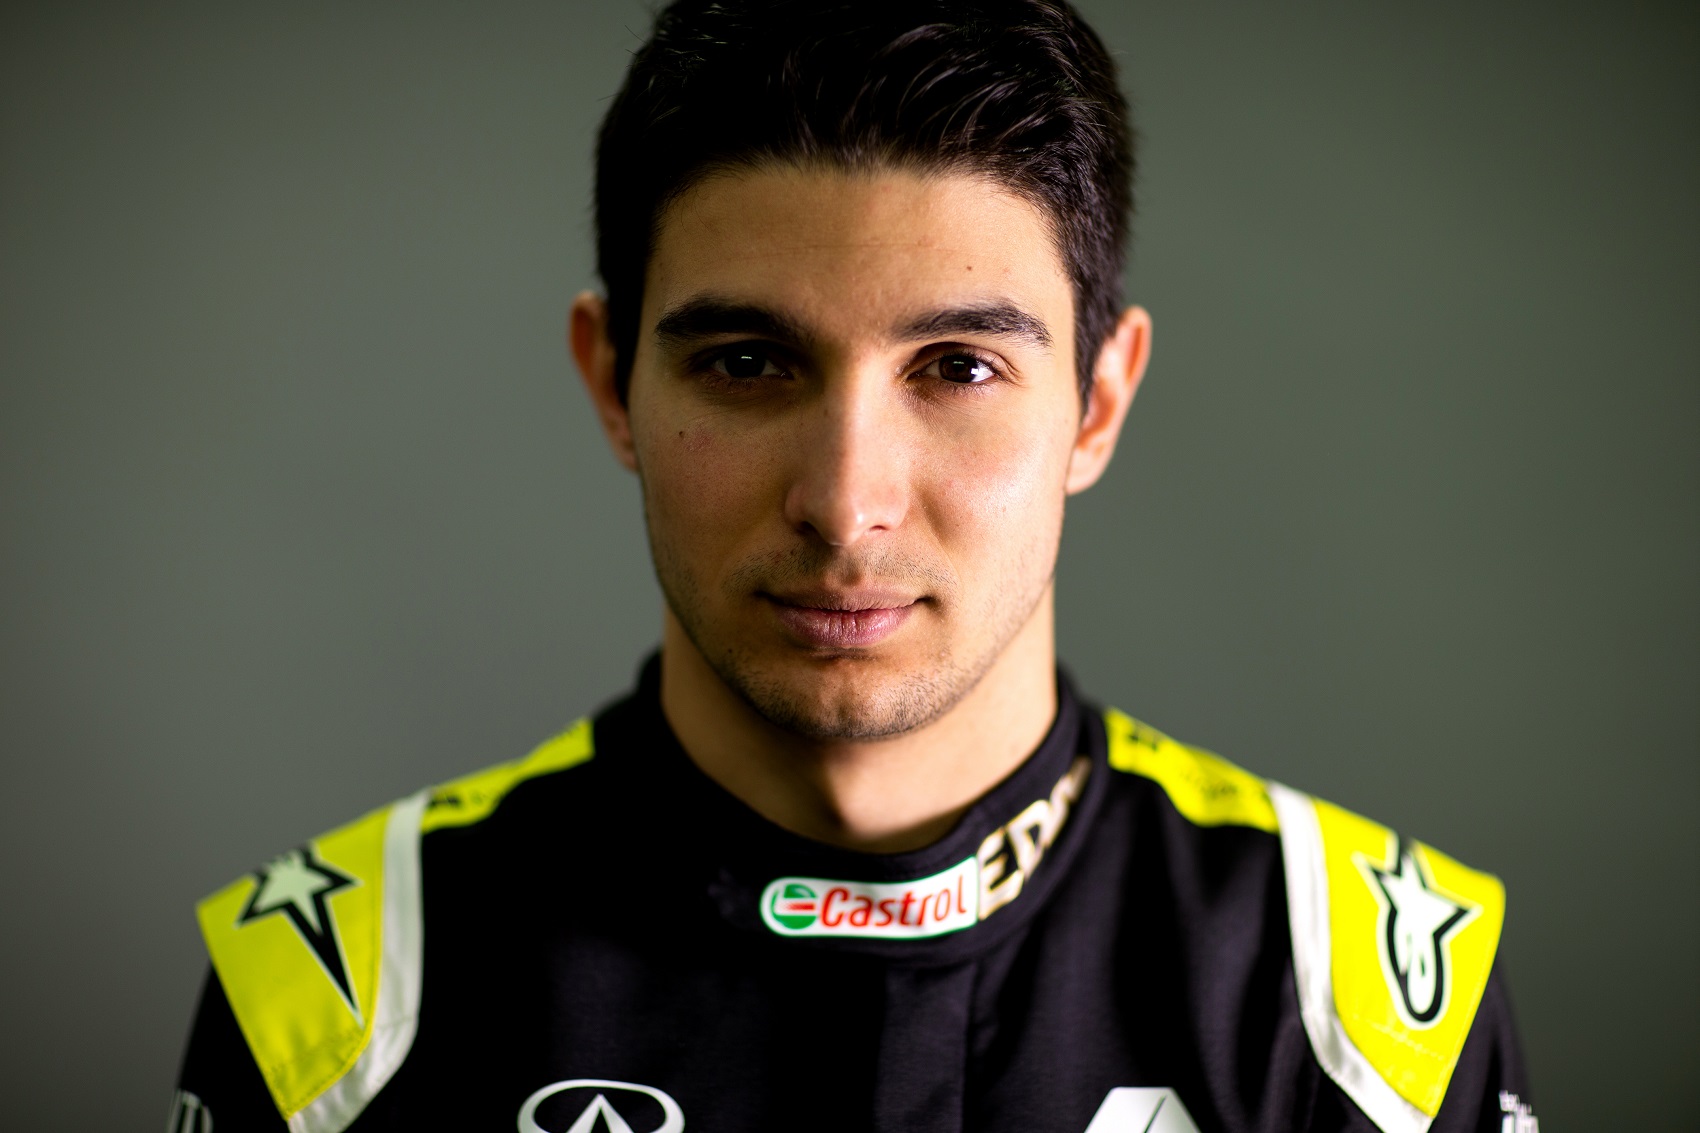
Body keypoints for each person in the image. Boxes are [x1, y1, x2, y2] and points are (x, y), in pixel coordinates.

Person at [171, 1, 1536, 1131]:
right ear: (612, 384)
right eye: (749, 362)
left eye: (958, 367)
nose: (845, 501)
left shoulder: (1364, 1004)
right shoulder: (339, 1004)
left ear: (1099, 404)